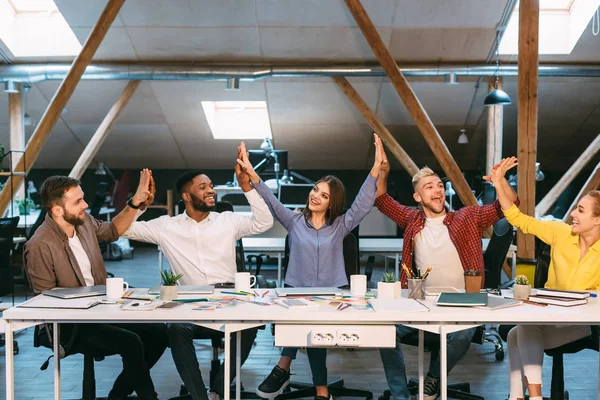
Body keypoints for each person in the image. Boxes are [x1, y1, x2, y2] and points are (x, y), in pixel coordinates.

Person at [236, 134, 385, 400]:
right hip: (296, 292)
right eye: (315, 189)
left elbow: (363, 203)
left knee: (314, 326)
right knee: (305, 322)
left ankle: (283, 368)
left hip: (331, 294)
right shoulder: (293, 220)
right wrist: (250, 170)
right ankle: (321, 389)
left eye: (324, 194)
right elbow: (270, 199)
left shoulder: (341, 225)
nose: (315, 195)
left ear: (332, 202)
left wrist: (375, 169)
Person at [121, 147, 273, 400]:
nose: (211, 190)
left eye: (211, 185)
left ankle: (218, 389)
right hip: (190, 301)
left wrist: (247, 187)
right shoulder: (166, 226)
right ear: (187, 196)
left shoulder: (228, 221)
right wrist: (139, 204)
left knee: (251, 324)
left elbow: (264, 222)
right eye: (203, 187)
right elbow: (124, 230)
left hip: (228, 296)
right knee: (175, 328)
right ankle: (199, 395)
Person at [375, 150, 518, 400]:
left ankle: (434, 378)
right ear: (418, 196)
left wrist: (499, 181)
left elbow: (509, 206)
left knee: (465, 330)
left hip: (461, 306)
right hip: (420, 306)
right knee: (383, 331)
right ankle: (400, 396)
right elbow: (381, 199)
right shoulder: (411, 220)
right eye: (429, 186)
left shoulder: (467, 217)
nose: (437, 189)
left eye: (440, 185)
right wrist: (383, 171)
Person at [24, 170, 167, 400]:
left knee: (160, 332)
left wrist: (135, 203)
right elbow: (45, 302)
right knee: (131, 342)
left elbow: (111, 231)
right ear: (57, 209)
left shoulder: (84, 222)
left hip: (102, 312)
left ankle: (118, 395)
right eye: (78, 201)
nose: (86, 205)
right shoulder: (39, 245)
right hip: (70, 326)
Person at [487, 157, 600, 400]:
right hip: (549, 317)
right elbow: (519, 220)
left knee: (520, 331)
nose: (573, 214)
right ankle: (522, 397)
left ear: (597, 219)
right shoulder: (562, 232)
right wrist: (498, 183)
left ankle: (525, 397)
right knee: (515, 333)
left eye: (581, 210)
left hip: (582, 325)